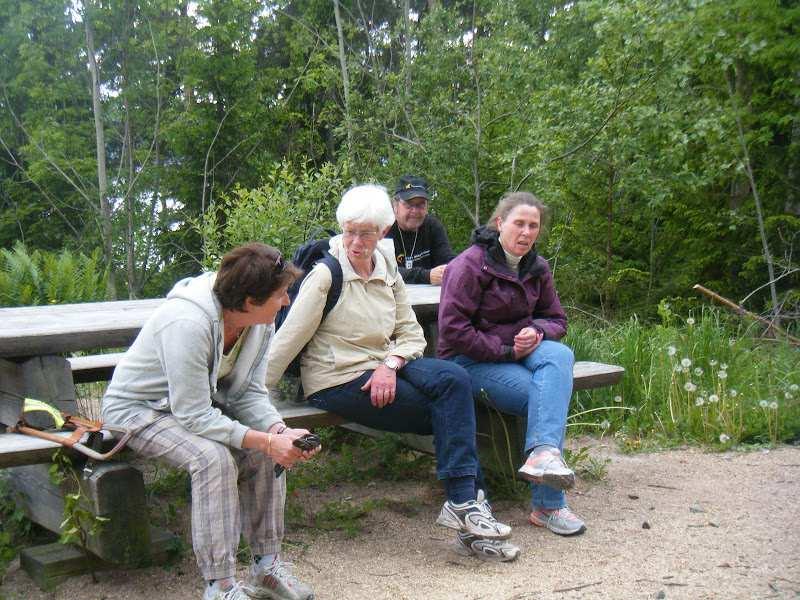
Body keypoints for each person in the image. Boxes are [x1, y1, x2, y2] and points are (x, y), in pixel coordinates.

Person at [267, 184, 519, 562]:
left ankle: (464, 505)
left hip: (387, 365)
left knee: (454, 379)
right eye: (349, 231)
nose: (355, 241)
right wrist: (256, 399)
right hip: (337, 378)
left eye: (365, 233)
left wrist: (390, 364)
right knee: (449, 412)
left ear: (383, 232)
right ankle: (469, 510)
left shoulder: (387, 268)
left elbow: (412, 333)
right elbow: (285, 342)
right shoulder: (326, 274)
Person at [101, 243, 319, 600]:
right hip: (137, 410)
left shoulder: (258, 322)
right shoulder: (189, 321)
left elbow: (248, 391)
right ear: (249, 300)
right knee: (212, 458)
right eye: (280, 295)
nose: (286, 302)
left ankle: (266, 567)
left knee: (268, 447)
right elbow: (193, 414)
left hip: (193, 405)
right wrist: (263, 440)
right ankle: (219, 586)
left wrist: (278, 431)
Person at [437, 192, 586, 537]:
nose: (526, 232)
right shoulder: (469, 265)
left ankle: (542, 456)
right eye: (519, 223)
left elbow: (557, 319)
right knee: (547, 396)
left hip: (520, 352)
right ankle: (548, 505)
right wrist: (507, 349)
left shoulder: (537, 266)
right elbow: (453, 332)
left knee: (560, 355)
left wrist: (536, 331)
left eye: (533, 226)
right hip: (468, 362)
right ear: (500, 223)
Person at [385, 175, 456, 285]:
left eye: (420, 205)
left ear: (427, 207)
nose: (415, 211)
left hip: (430, 299)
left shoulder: (433, 226)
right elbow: (385, 271)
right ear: (395, 206)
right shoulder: (385, 229)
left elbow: (448, 261)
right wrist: (426, 276)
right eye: (409, 204)